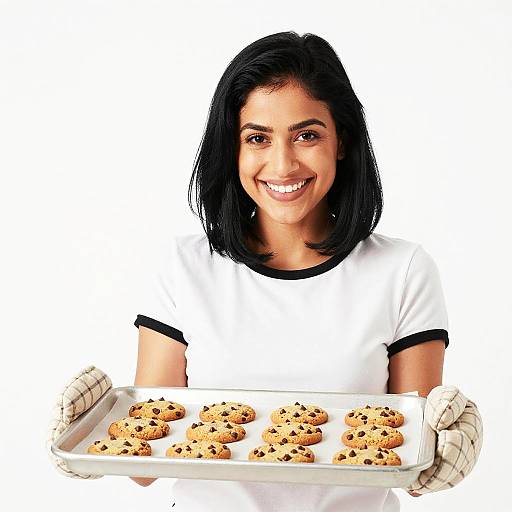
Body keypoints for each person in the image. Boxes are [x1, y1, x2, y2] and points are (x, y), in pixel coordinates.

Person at [47, 31, 482, 512]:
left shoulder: (402, 271)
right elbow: (147, 465)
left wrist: (447, 449)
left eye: (307, 135)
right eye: (257, 138)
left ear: (342, 141)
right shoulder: (186, 267)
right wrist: (90, 427)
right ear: (231, 149)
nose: (282, 163)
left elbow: (409, 465)